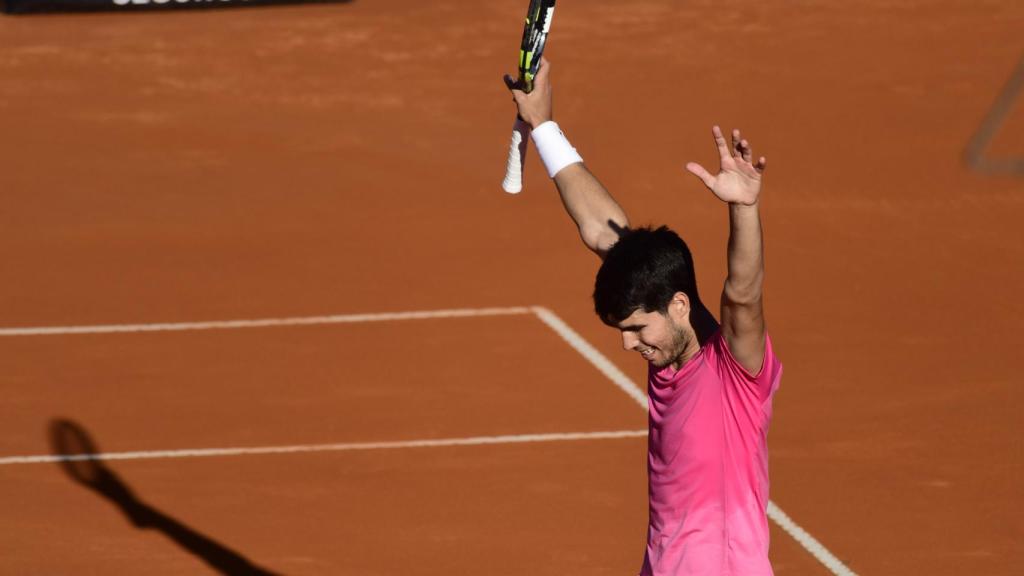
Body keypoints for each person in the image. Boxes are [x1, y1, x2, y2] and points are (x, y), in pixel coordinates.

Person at [504, 58, 783, 576]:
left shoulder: (735, 373)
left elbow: (742, 296)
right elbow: (600, 228)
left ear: (678, 304)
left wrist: (744, 208)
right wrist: (543, 126)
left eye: (636, 328)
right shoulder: (668, 335)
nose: (629, 345)